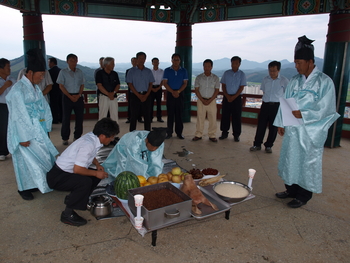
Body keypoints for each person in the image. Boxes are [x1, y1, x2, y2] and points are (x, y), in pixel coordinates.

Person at [273, 35, 340, 208]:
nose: (296, 66)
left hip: (309, 131)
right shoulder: (295, 80)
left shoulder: (324, 82)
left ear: (310, 62)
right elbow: (285, 101)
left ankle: (303, 196)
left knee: (306, 162)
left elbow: (326, 108)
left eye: (299, 63)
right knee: (290, 158)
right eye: (295, 62)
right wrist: (281, 122)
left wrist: (303, 114)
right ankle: (291, 190)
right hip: (293, 129)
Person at [6, 48, 59, 200]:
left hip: (37, 127)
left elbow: (43, 106)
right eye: (40, 75)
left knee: (40, 156)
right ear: (29, 73)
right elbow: (18, 115)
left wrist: (45, 123)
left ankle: (36, 183)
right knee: (24, 160)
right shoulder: (18, 90)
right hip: (22, 130)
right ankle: (23, 188)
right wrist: (22, 136)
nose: (42, 78)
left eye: (43, 75)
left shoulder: (35, 87)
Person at [46, 118, 119, 226]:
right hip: (57, 177)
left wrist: (98, 165)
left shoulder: (93, 138)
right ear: (103, 136)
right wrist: (96, 173)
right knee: (85, 182)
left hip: (66, 172)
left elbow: (91, 155)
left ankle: (76, 199)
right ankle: (67, 214)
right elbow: (78, 170)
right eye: (111, 137)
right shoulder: (88, 144)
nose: (112, 139)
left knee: (94, 177)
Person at [250, 61, 289, 153]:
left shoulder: (284, 80)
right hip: (265, 105)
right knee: (261, 126)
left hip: (276, 106)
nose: (272, 73)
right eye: (270, 70)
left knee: (273, 128)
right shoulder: (265, 79)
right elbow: (264, 92)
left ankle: (269, 146)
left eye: (274, 71)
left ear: (278, 70)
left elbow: (287, 94)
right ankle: (257, 144)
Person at [102, 128, 167, 179]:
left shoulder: (160, 143)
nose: (154, 149)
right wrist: (145, 179)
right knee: (125, 171)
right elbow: (136, 164)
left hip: (137, 147)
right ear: (146, 140)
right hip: (124, 147)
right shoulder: (134, 142)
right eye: (152, 146)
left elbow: (156, 161)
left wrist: (155, 177)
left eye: (156, 147)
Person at [56, 53, 85, 145]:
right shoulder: (63, 72)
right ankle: (65, 138)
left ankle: (77, 136)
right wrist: (69, 96)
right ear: (67, 61)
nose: (73, 63)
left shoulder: (79, 72)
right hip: (67, 97)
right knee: (66, 118)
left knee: (79, 118)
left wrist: (79, 94)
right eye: (71, 61)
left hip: (78, 96)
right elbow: (61, 86)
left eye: (75, 60)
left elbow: (82, 84)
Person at [219, 56, 247, 142]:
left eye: (236, 63)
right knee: (225, 116)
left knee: (237, 117)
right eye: (232, 63)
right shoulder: (226, 73)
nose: (234, 65)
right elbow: (223, 85)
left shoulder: (242, 74)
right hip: (226, 96)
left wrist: (234, 97)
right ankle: (224, 133)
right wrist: (227, 96)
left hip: (237, 98)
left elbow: (241, 87)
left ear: (239, 64)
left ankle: (236, 135)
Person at [192, 59, 220, 142]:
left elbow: (217, 90)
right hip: (201, 100)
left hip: (212, 101)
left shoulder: (215, 78)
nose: (207, 68)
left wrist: (210, 100)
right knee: (200, 118)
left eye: (208, 66)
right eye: (205, 66)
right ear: (203, 67)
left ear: (211, 67)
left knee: (212, 118)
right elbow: (196, 90)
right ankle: (198, 134)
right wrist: (202, 100)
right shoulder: (199, 77)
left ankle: (212, 135)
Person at [126, 52, 155, 132]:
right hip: (135, 96)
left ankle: (147, 134)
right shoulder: (131, 71)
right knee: (133, 116)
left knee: (147, 116)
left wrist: (146, 95)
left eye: (143, 58)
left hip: (146, 95)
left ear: (145, 59)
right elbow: (130, 84)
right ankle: (131, 134)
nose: (142, 60)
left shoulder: (148, 71)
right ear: (137, 59)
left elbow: (150, 84)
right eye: (140, 58)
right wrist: (138, 95)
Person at [163, 53, 188, 139]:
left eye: (177, 59)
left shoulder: (184, 71)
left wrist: (178, 91)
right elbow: (165, 83)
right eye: (174, 59)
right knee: (170, 114)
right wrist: (172, 92)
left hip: (180, 94)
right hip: (170, 94)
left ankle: (179, 133)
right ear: (171, 60)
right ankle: (169, 133)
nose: (176, 61)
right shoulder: (167, 70)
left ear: (180, 61)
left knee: (179, 115)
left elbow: (185, 83)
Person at [0, 58, 16, 161]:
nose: (9, 69)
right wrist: (5, 86)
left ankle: (12, 149)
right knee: (2, 129)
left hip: (12, 106)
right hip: (1, 106)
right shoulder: (4, 82)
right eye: (7, 67)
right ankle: (2, 151)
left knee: (13, 128)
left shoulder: (13, 80)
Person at [95, 57, 120, 122]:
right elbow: (99, 86)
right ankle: (101, 131)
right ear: (106, 64)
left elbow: (118, 85)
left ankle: (115, 131)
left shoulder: (115, 74)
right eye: (112, 64)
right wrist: (108, 94)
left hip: (113, 96)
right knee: (102, 115)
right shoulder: (99, 73)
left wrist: (113, 93)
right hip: (103, 96)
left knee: (114, 115)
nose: (113, 65)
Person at [125, 57, 143, 124]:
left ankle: (139, 118)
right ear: (131, 62)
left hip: (140, 90)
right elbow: (128, 82)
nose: (134, 63)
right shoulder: (128, 71)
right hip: (131, 90)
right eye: (133, 61)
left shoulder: (141, 70)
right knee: (131, 105)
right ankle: (130, 118)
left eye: (136, 61)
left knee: (140, 105)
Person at [48, 57, 62, 124]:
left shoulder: (49, 72)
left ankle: (55, 119)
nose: (48, 64)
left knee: (54, 106)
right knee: (61, 105)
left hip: (53, 91)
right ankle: (62, 118)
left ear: (52, 63)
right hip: (61, 90)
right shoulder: (61, 71)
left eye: (49, 62)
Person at [150, 57, 164, 123]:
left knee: (159, 103)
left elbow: (163, 81)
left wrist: (158, 88)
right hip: (151, 88)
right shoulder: (150, 71)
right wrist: (152, 88)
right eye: (154, 62)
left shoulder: (161, 71)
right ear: (152, 63)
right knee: (150, 104)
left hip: (159, 87)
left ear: (159, 63)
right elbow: (148, 81)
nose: (155, 63)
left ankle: (159, 117)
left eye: (157, 62)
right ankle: (150, 118)